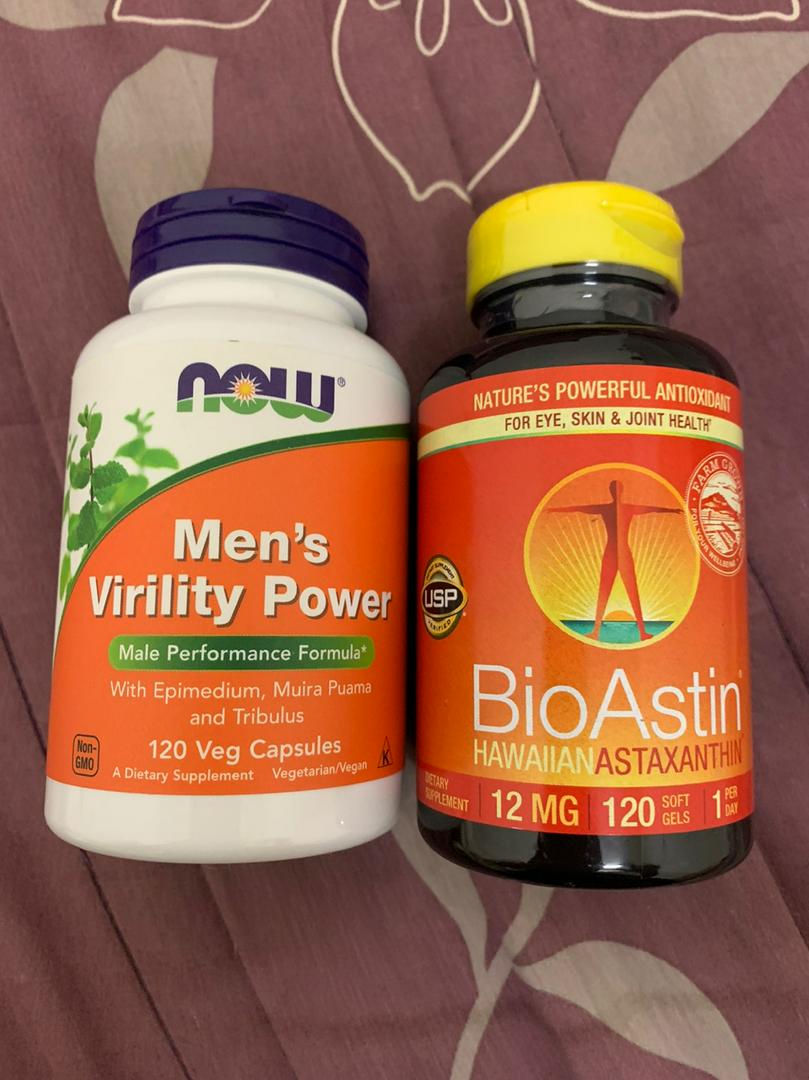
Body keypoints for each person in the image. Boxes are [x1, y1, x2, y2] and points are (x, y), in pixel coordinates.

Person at [548, 479, 681, 641]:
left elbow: (652, 509)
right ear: (611, 491)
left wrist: (672, 510)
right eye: (614, 488)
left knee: (633, 592)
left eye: (617, 488)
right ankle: (596, 632)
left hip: (623, 553)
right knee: (603, 592)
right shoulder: (608, 508)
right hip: (611, 553)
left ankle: (642, 632)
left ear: (621, 491)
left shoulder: (626, 508)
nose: (616, 491)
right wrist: (555, 509)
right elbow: (581, 508)